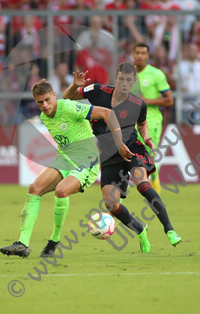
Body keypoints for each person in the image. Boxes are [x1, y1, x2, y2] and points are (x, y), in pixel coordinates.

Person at [0, 79, 134, 258]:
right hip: (64, 158)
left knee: (61, 191)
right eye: (40, 102)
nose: (45, 105)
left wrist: (119, 143)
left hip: (86, 161)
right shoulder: (43, 117)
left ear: (54, 96)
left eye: (48, 100)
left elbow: (108, 113)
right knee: (34, 189)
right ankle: (23, 244)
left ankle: (53, 242)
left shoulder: (69, 108)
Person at [63, 63, 182, 249]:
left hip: (132, 148)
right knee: (110, 203)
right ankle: (141, 230)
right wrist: (74, 85)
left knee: (142, 184)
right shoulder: (97, 90)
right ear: (116, 78)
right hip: (110, 155)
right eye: (122, 79)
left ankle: (169, 229)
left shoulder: (138, 104)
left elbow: (142, 124)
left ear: (134, 81)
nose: (125, 83)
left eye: (129, 80)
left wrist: (146, 137)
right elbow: (67, 97)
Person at [132, 43, 173, 193]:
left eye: (143, 53)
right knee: (134, 155)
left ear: (148, 56)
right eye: (137, 53)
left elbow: (169, 100)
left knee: (149, 155)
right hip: (132, 121)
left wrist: (146, 101)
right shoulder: (128, 75)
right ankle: (150, 180)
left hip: (152, 121)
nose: (140, 56)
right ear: (133, 55)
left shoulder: (156, 74)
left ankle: (154, 179)